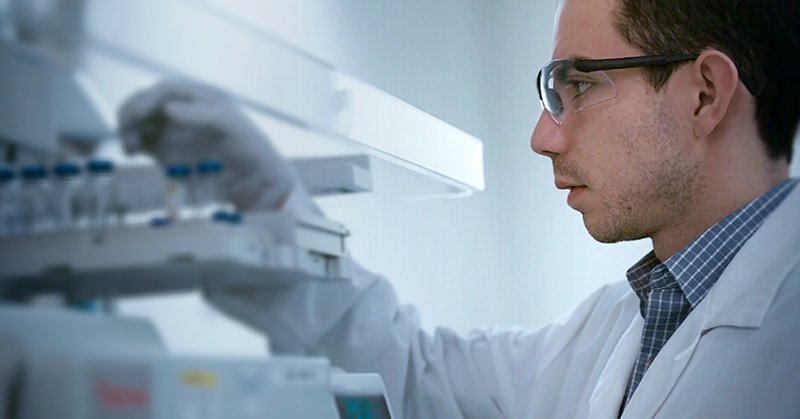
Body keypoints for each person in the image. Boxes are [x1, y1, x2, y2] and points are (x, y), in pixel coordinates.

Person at [117, 0, 800, 417]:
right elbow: (414, 374)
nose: (543, 136)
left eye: (580, 85)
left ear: (704, 94)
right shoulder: (619, 328)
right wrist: (270, 202)